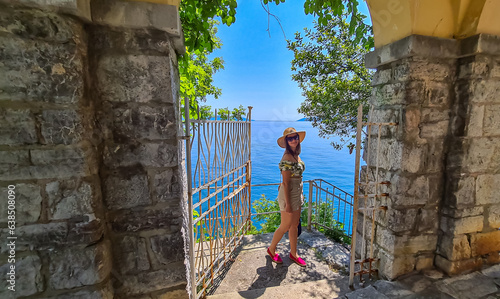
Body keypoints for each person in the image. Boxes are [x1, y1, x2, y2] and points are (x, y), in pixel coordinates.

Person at [267, 127, 307, 267]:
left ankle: (294, 253)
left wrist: (301, 194)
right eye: (290, 138)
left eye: (295, 137)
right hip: (288, 194)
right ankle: (271, 249)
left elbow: (298, 178)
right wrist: (289, 204)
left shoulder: (297, 155)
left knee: (294, 226)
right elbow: (286, 182)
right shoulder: (286, 158)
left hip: (297, 192)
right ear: (286, 141)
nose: (294, 140)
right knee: (285, 225)